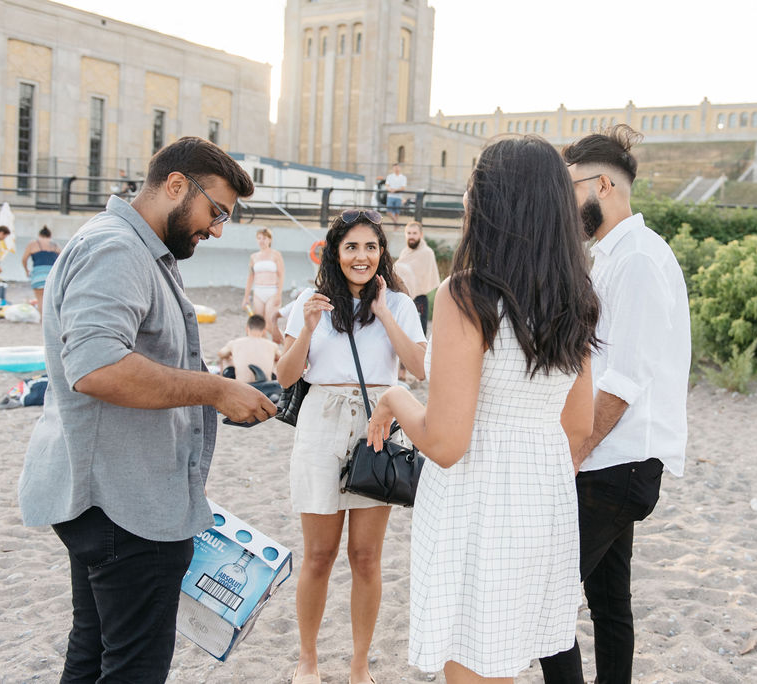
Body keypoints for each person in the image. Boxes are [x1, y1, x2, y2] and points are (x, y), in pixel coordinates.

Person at [17, 136, 277, 683]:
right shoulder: (117, 249)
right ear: (176, 185)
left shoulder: (128, 244)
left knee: (92, 653)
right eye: (216, 212)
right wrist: (214, 390)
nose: (216, 228)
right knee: (133, 666)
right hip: (123, 506)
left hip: (105, 496)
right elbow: (96, 367)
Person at [365, 136, 600, 682]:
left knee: (472, 669)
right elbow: (579, 424)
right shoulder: (578, 297)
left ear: (491, 200)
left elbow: (447, 444)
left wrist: (395, 397)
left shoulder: (466, 294)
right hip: (546, 501)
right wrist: (534, 478)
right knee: (506, 664)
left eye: (474, 183)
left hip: (479, 502)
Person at [539, 125, 691, 684]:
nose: (565, 203)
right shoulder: (612, 256)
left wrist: (572, 451)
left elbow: (623, 381)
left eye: (570, 189)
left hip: (615, 461)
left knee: (545, 599)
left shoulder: (640, 261)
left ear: (602, 184)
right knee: (608, 603)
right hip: (612, 459)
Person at [276, 209, 427, 684]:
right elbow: (283, 376)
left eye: (371, 247)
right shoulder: (309, 300)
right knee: (318, 555)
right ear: (335, 252)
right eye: (351, 247)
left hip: (377, 422)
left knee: (365, 556)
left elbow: (418, 368)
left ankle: (359, 664)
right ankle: (307, 659)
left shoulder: (399, 304)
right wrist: (306, 326)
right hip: (320, 422)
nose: (362, 257)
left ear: (382, 252)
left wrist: (382, 311)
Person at [395, 221, 440, 335]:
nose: (411, 236)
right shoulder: (405, 252)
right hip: (403, 299)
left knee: (418, 334)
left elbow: (417, 276)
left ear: (421, 235)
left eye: (414, 233)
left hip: (419, 300)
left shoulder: (427, 253)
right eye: (409, 233)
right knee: (404, 333)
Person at [242, 227, 285, 343]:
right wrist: (246, 297)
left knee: (270, 323)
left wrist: (279, 294)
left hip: (272, 291)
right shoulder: (254, 257)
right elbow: (250, 277)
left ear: (269, 240)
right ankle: (268, 349)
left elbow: (281, 275)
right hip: (258, 292)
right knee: (260, 324)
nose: (261, 241)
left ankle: (286, 345)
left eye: (264, 238)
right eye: (259, 238)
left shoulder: (276, 255)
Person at [218, 314, 282, 382]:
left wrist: (232, 356)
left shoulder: (235, 343)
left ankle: (222, 386)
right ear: (264, 331)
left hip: (243, 387)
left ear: (247, 328)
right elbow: (281, 358)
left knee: (225, 359)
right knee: (276, 362)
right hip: (265, 386)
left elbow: (220, 354)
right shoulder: (272, 345)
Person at [21, 226, 62, 312]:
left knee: (40, 300)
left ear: (39, 235)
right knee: (51, 301)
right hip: (52, 274)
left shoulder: (33, 244)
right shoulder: (55, 245)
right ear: (50, 236)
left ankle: (42, 320)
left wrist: (26, 270)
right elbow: (62, 260)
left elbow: (24, 259)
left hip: (38, 274)